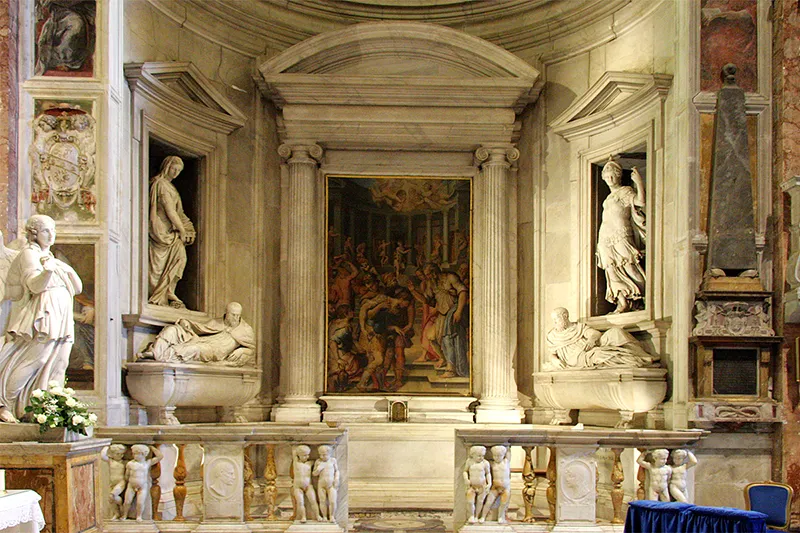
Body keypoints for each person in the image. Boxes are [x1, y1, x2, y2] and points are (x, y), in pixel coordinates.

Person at [0, 215, 82, 422]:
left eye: (53, 230)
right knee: (37, 359)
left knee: (60, 362)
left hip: (61, 313)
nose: (51, 235)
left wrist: (62, 268)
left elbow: (78, 287)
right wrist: (48, 270)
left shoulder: (50, 257)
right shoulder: (29, 254)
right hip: (43, 312)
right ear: (34, 233)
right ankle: (5, 403)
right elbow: (35, 286)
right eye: (46, 230)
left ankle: (48, 409)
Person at [596, 159, 646, 314]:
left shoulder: (626, 191)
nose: (610, 179)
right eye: (607, 176)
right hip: (605, 237)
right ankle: (622, 302)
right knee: (611, 270)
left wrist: (639, 183)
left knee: (629, 265)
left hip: (621, 233)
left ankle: (646, 296)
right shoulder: (608, 198)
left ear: (618, 176)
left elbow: (641, 202)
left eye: (613, 176)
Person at [138, 302, 255, 366]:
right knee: (172, 330)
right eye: (232, 314)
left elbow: (251, 349)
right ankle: (156, 352)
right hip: (200, 340)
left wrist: (242, 350)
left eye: (237, 315)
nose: (235, 318)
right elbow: (201, 328)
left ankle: (161, 357)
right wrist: (186, 323)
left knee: (194, 349)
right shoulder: (216, 322)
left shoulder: (245, 330)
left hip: (212, 351)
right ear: (226, 313)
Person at [148, 156, 195, 309]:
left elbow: (179, 213)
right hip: (161, 231)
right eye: (174, 169)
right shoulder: (161, 184)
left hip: (171, 230)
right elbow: (169, 211)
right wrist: (181, 230)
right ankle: (162, 291)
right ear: (167, 166)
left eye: (179, 171)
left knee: (181, 257)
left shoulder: (171, 187)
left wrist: (189, 229)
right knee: (177, 256)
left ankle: (169, 290)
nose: (176, 173)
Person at [544, 307, 657, 370]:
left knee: (616, 332)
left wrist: (590, 340)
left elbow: (595, 334)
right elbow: (552, 352)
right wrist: (554, 359)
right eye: (553, 320)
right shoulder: (552, 335)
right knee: (603, 354)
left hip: (591, 346)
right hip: (580, 357)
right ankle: (636, 361)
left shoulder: (578, 327)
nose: (555, 323)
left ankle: (642, 356)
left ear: (565, 317)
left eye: (557, 319)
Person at [121, 444, 163, 521]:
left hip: (143, 486)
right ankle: (124, 515)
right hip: (131, 486)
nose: (134, 455)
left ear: (143, 454)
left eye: (136, 454)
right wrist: (130, 482)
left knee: (140, 503)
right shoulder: (130, 464)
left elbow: (160, 456)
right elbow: (126, 475)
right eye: (133, 453)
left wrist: (152, 448)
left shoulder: (147, 463)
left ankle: (139, 516)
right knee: (127, 502)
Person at [481, 445, 511, 523]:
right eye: (495, 455)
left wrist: (507, 447)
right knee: (488, 502)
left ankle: (500, 517)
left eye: (499, 455)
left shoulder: (506, 462)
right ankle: (483, 516)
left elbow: (508, 451)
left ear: (503, 455)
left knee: (503, 503)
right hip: (495, 487)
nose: (497, 457)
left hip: (505, 487)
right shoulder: (492, 463)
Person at [291, 445, 320, 523]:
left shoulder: (309, 463)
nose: (307, 457)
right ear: (299, 455)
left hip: (308, 486)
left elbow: (319, 461)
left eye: (308, 455)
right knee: (300, 502)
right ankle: (303, 517)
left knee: (313, 501)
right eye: (304, 455)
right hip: (297, 487)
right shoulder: (296, 462)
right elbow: (294, 451)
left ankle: (318, 515)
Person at [463, 445, 491, 524]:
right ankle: (471, 515)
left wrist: (489, 483)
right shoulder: (469, 461)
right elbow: (465, 471)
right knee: (470, 502)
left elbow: (488, 473)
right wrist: (466, 479)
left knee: (480, 501)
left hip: (482, 486)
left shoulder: (485, 463)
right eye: (479, 456)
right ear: (473, 455)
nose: (481, 457)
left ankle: (476, 516)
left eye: (482, 456)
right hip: (472, 486)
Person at [313, 445, 340, 522]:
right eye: (320, 454)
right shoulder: (318, 461)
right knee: (322, 501)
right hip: (321, 484)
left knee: (332, 501)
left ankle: (332, 516)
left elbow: (337, 471)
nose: (322, 456)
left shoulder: (332, 460)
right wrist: (318, 469)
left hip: (331, 484)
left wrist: (337, 478)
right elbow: (314, 474)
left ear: (329, 453)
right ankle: (324, 516)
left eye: (324, 454)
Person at [102, 444, 128, 520]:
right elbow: (103, 456)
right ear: (112, 454)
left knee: (112, 495)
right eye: (117, 454)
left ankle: (121, 506)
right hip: (112, 482)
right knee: (110, 500)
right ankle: (116, 513)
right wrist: (106, 446)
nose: (120, 455)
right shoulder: (111, 461)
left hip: (121, 482)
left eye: (122, 454)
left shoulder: (124, 462)